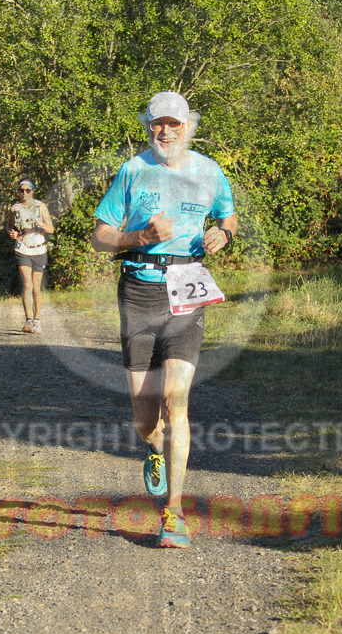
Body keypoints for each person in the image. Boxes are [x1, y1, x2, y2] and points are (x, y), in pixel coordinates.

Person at [90, 91, 237, 548]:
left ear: (189, 125)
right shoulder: (133, 170)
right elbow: (100, 237)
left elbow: (228, 217)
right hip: (138, 290)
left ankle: (173, 513)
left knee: (177, 402)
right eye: (158, 124)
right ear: (148, 125)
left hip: (186, 288)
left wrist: (222, 234)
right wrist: (139, 235)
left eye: (175, 123)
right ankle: (153, 449)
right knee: (144, 417)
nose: (166, 131)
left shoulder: (209, 171)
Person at [7, 178, 55, 333]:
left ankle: (37, 320)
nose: (24, 193)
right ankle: (28, 321)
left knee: (36, 287)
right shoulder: (15, 208)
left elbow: (51, 229)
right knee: (27, 285)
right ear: (18, 192)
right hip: (22, 249)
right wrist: (12, 233)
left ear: (33, 191)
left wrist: (42, 225)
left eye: (28, 190)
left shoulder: (40, 206)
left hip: (39, 250)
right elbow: (9, 225)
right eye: (21, 190)